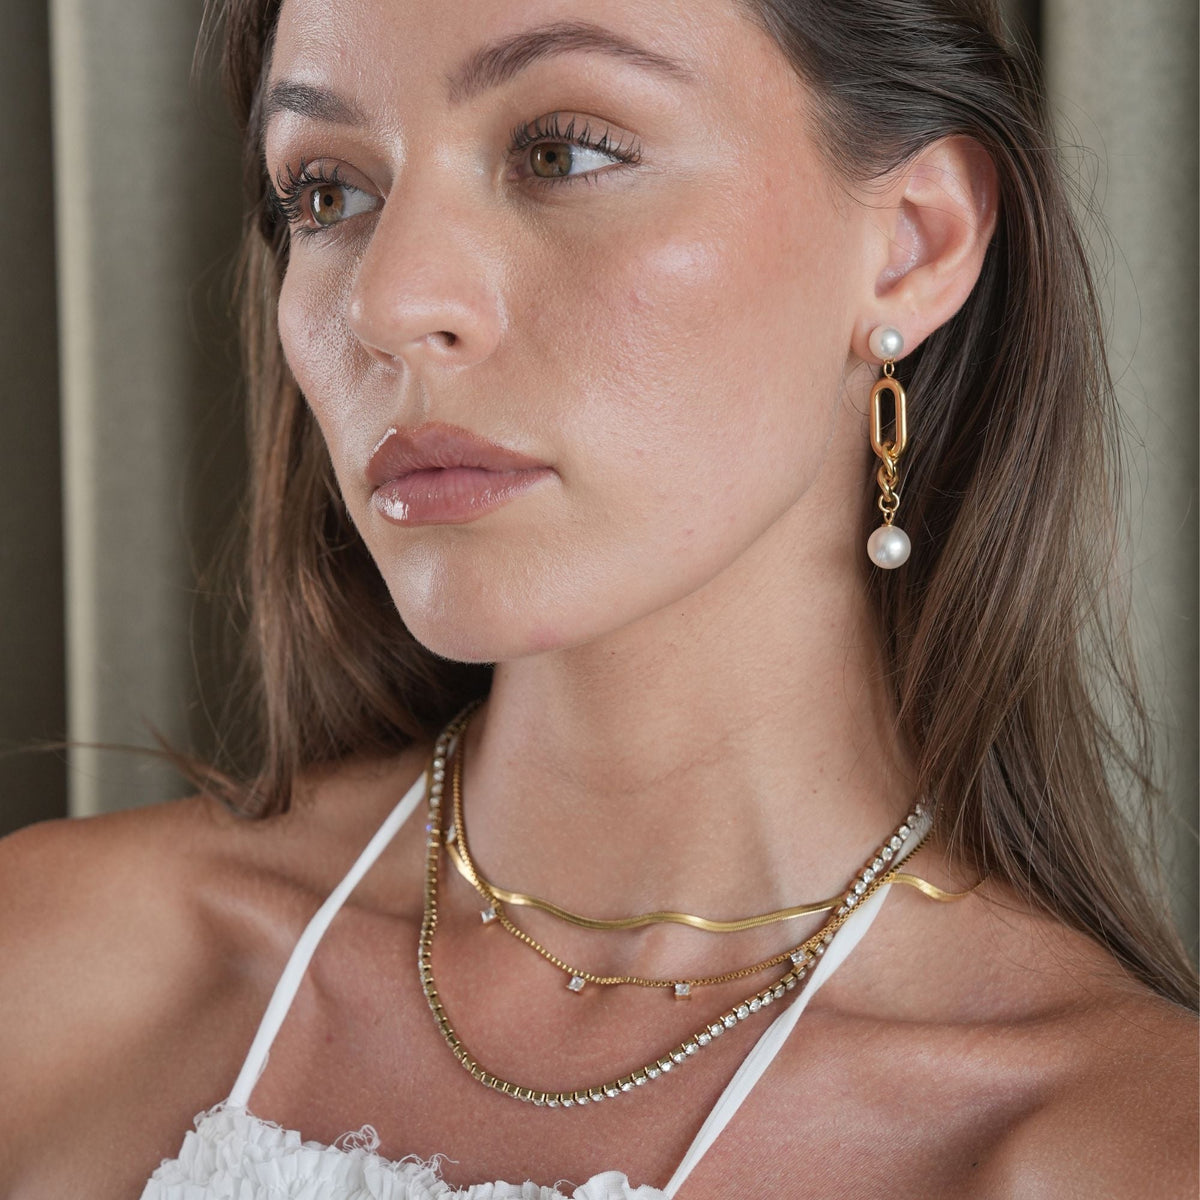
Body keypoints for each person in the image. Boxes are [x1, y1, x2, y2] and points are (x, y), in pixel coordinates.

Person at [1, 0, 1196, 1196]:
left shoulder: (1119, 1147)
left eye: (561, 152)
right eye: (327, 192)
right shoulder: (51, 975)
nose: (388, 303)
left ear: (913, 244)